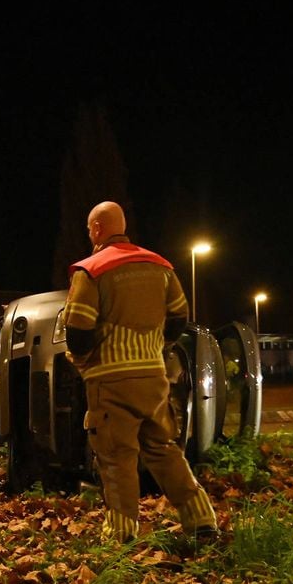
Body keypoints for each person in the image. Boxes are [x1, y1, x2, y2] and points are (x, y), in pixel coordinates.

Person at [63, 201, 220, 546]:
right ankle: (201, 519)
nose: (89, 234)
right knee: (163, 447)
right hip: (153, 377)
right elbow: (180, 316)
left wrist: (82, 360)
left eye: (90, 229)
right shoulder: (160, 266)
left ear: (98, 230)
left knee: (117, 455)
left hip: (110, 380)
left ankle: (121, 535)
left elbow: (78, 329)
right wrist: (156, 347)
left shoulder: (91, 270)